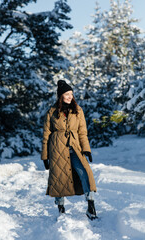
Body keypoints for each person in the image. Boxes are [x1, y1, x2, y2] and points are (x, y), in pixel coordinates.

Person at [41, 80, 97, 220]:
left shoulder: (78, 110)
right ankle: (60, 208)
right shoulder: (52, 112)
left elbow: (82, 132)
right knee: (59, 178)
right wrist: (45, 156)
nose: (69, 96)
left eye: (71, 94)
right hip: (57, 149)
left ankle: (91, 205)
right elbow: (46, 135)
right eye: (66, 94)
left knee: (85, 172)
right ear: (60, 96)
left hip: (75, 148)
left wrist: (86, 149)